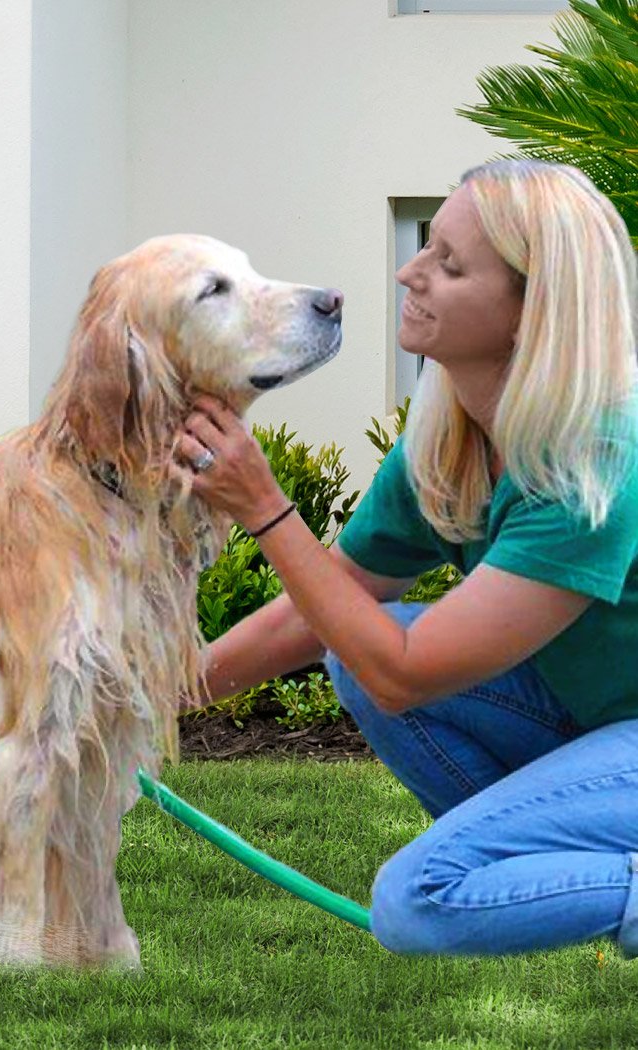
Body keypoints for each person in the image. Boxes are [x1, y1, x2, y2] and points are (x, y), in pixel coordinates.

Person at [174, 158, 638, 959]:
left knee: (420, 899)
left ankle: (535, 869)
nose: (408, 272)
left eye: (449, 265)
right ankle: (540, 862)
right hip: (602, 724)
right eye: (426, 245)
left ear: (532, 311)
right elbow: (328, 608)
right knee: (352, 643)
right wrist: (154, 697)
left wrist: (264, 507)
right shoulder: (453, 439)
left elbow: (405, 674)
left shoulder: (596, 460)